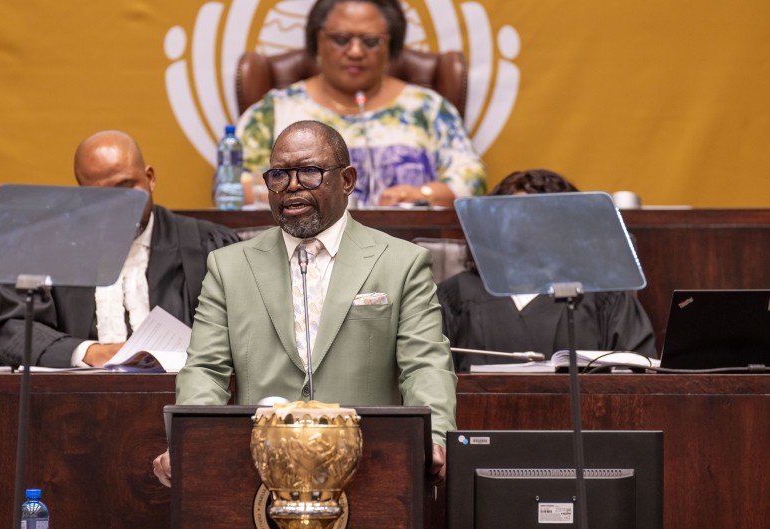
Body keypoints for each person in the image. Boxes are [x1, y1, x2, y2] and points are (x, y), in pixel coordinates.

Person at [153, 120, 457, 486]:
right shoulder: (228, 267)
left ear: (347, 180)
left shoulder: (401, 263)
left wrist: (435, 437)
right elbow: (206, 369)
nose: (292, 186)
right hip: (258, 470)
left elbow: (424, 364)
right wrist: (189, 441)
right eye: (279, 175)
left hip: (371, 466)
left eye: (310, 172)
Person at [0, 130, 240, 367]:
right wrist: (88, 352)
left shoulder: (209, 246)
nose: (119, 205)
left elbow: (249, 331)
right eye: (101, 195)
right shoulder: (47, 248)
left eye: (126, 186)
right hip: (77, 403)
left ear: (150, 178)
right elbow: (5, 332)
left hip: (184, 400)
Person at [236, 0, 485, 208]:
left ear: (391, 45)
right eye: (341, 39)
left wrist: (422, 194)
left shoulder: (428, 109)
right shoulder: (275, 110)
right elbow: (233, 187)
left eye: (370, 41)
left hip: (404, 242)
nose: (355, 52)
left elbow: (472, 179)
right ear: (317, 40)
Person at [437, 169, 658, 371]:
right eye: (515, 215)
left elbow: (639, 374)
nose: (525, 226)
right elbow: (432, 374)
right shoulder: (456, 295)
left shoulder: (605, 294)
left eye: (538, 216)